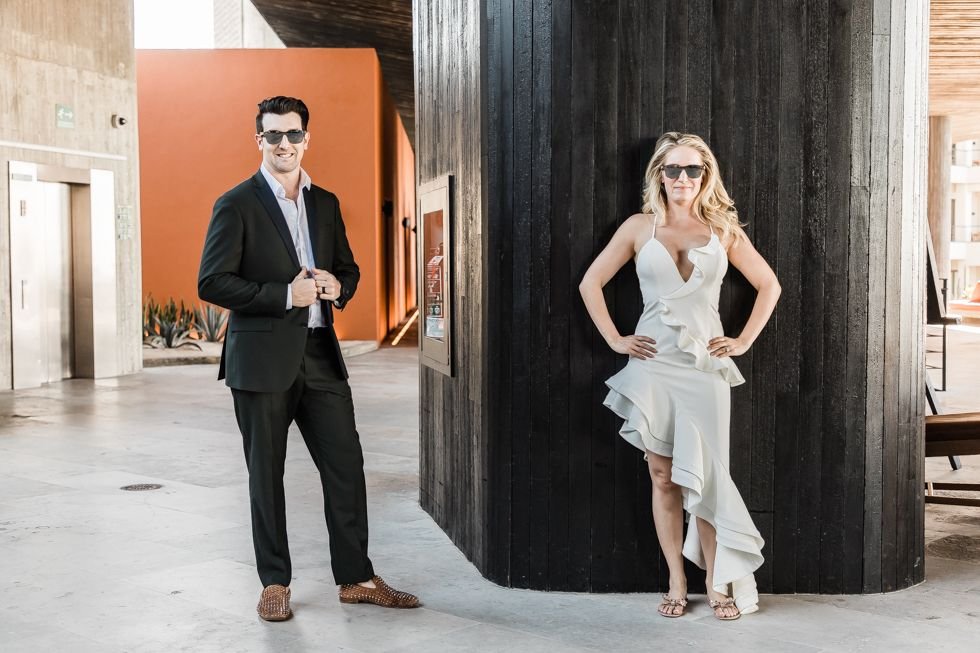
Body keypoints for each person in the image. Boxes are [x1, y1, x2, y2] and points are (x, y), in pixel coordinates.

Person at [198, 96, 419, 621]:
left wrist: (336, 285)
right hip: (261, 362)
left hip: (320, 355)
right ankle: (274, 582)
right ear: (259, 141)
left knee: (346, 466)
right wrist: (283, 295)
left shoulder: (326, 203)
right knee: (265, 474)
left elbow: (349, 268)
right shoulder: (236, 203)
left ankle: (356, 577)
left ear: (306, 139)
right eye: (273, 135)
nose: (283, 144)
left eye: (292, 134)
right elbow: (211, 281)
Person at [579, 132, 780, 620]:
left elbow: (768, 284)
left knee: (707, 477)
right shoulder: (637, 227)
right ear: (659, 176)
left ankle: (716, 584)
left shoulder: (723, 230)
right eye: (673, 170)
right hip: (653, 364)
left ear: (705, 176)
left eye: (693, 170)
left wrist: (744, 340)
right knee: (663, 475)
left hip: (705, 369)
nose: (683, 178)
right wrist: (614, 338)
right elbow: (591, 282)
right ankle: (675, 577)